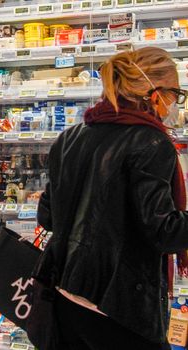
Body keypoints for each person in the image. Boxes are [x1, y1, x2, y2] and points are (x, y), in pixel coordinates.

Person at [34, 46, 188, 350]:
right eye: (176, 95)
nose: (175, 104)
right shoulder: (151, 141)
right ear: (155, 95)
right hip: (119, 307)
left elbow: (47, 216)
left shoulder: (71, 136)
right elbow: (162, 232)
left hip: (66, 294)